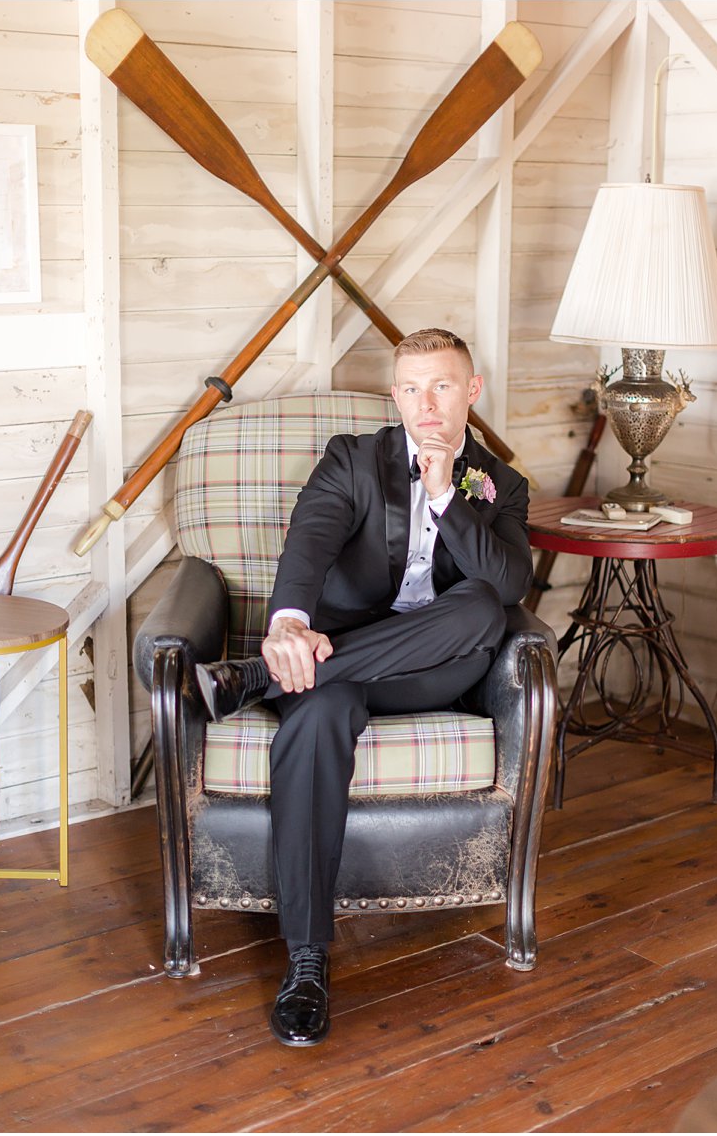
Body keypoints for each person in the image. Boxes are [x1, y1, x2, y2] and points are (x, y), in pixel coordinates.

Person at [194, 327, 532, 1047]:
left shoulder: (500, 483)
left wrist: (446, 496)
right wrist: (287, 625)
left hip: (435, 673)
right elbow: (310, 541)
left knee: (479, 606)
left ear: (471, 390)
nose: (425, 404)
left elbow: (508, 585)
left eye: (441, 385)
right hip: (327, 672)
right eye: (410, 388)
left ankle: (254, 681)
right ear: (395, 395)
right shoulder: (354, 457)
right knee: (314, 721)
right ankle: (308, 960)